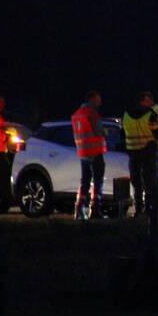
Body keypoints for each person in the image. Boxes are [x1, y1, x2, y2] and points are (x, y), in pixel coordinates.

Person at [122, 91, 158, 216]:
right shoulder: (150, 115)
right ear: (143, 101)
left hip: (132, 152)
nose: (151, 103)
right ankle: (149, 208)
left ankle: (138, 209)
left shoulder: (126, 115)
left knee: (136, 182)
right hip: (148, 151)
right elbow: (157, 134)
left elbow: (122, 134)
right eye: (149, 100)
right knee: (149, 181)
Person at [70, 91, 107, 221]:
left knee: (84, 181)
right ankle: (95, 209)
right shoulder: (92, 114)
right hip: (95, 151)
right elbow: (98, 131)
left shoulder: (76, 114)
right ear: (91, 100)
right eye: (98, 100)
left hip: (83, 152)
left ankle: (79, 209)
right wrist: (106, 132)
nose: (100, 103)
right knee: (98, 181)